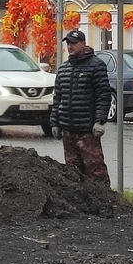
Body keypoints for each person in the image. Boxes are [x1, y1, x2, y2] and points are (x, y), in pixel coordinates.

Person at [48, 29, 111, 185]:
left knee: (96, 171)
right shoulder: (63, 69)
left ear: (83, 44)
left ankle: (105, 202)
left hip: (87, 131)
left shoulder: (96, 66)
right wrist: (54, 122)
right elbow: (58, 98)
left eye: (74, 43)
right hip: (68, 131)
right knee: (73, 173)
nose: (70, 46)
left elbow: (103, 95)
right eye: (68, 43)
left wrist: (100, 121)